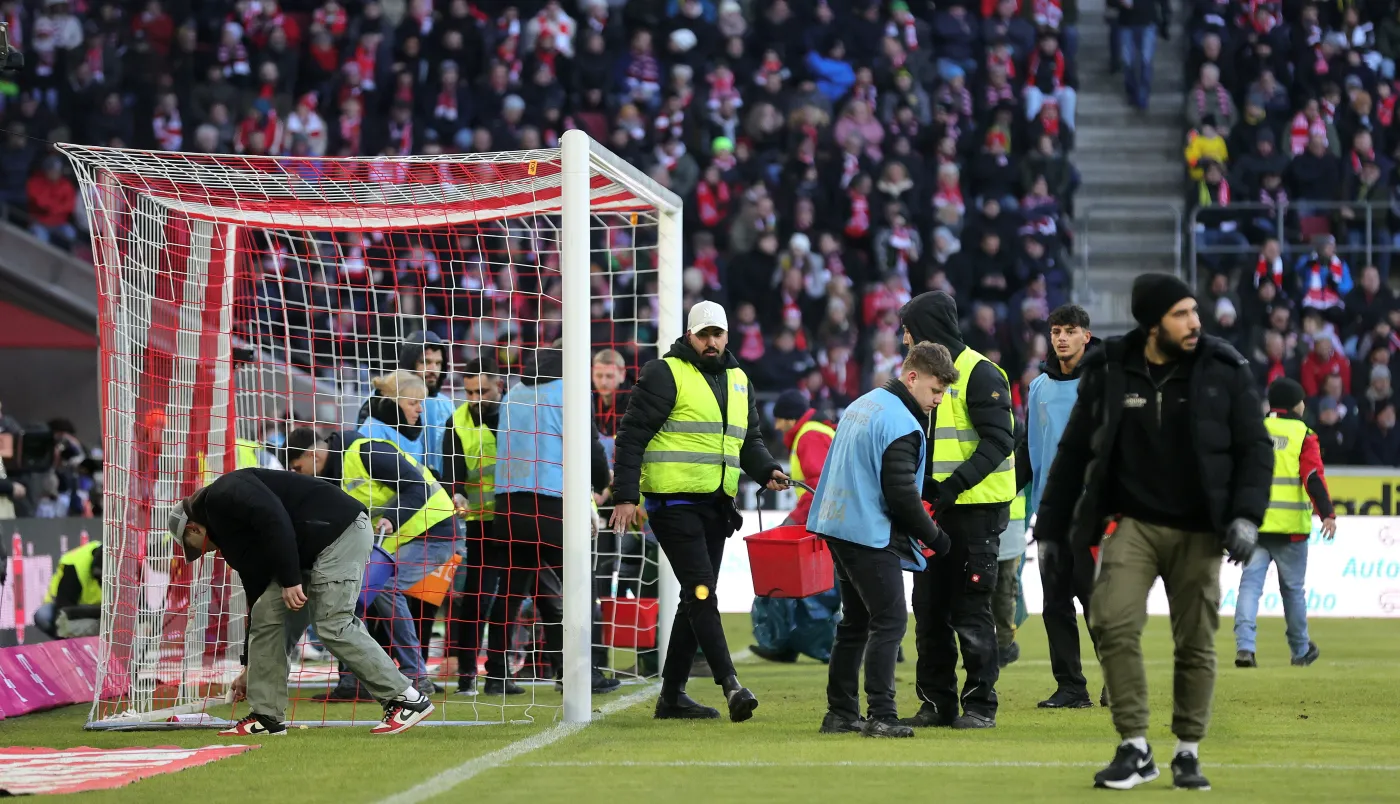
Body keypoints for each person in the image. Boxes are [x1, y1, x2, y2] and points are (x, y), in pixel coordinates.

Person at [1036, 273, 1273, 791]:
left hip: (1200, 530)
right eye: (1181, 314)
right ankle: (1135, 747)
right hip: (1133, 523)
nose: (1194, 322)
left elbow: (1256, 448)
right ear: (1152, 323)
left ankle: (1187, 749)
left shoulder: (1224, 367)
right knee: (1111, 621)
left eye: (1194, 311)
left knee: (1195, 643)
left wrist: (1246, 516)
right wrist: (1052, 530)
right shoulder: (1110, 366)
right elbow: (1075, 451)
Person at [610, 300, 789, 722]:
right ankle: (731, 685)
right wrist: (625, 495)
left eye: (718, 334)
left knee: (694, 598)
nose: (711, 342)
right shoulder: (664, 372)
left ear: (727, 336)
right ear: (689, 335)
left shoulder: (740, 379)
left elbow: (750, 441)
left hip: (717, 507)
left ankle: (671, 697)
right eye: (704, 334)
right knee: (704, 593)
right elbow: (631, 435)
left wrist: (767, 470)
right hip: (673, 506)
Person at [170, 468, 434, 736]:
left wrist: (289, 580)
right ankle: (267, 718)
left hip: (341, 533)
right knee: (266, 614)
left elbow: (274, 518)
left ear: (193, 527)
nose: (204, 552)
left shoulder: (224, 494)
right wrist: (250, 667)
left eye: (194, 546)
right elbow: (256, 595)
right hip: (309, 552)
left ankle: (406, 699)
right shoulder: (229, 533)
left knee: (333, 623)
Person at [809, 342, 956, 738]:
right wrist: (937, 538)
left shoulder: (864, 403)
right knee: (889, 621)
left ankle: (840, 713)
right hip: (868, 531)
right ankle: (882, 715)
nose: (937, 400)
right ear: (912, 377)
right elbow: (900, 495)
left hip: (837, 523)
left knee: (855, 622)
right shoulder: (902, 424)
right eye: (935, 390)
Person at [897, 291, 1016, 731]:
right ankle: (936, 703)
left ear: (927, 329)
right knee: (928, 609)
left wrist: (952, 487)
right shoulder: (917, 375)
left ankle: (981, 705)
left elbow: (1002, 440)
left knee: (969, 609)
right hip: (934, 510)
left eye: (909, 329)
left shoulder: (981, 373)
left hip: (975, 510)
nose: (905, 337)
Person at [286, 426, 454, 699]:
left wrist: (392, 518)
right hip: (395, 541)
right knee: (348, 590)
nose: (295, 474)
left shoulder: (366, 451)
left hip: (435, 531)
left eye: (296, 466)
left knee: (387, 587)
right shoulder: (326, 480)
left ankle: (418, 677)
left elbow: (418, 486)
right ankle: (352, 683)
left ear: (313, 455)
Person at [494, 341, 619, 694]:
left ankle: (495, 675)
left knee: (510, 595)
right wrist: (601, 484)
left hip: (507, 506)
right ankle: (581, 672)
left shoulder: (513, 392)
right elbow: (590, 445)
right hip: (551, 506)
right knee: (580, 590)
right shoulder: (569, 391)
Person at [1020, 303, 1102, 709]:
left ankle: (1119, 680)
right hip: (1051, 514)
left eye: (1070, 330)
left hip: (1094, 514)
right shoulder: (1039, 388)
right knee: (1055, 603)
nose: (1062, 338)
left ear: (1086, 335)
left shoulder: (1107, 382)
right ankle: (1071, 687)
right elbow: (1031, 450)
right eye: (1056, 332)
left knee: (1096, 600)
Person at [1235, 378, 1336, 669]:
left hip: (1254, 525)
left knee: (1249, 587)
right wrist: (1327, 513)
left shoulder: (1254, 430)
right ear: (1295, 404)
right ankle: (1300, 650)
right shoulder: (1303, 434)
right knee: (1293, 591)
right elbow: (1312, 477)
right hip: (1291, 530)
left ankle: (1245, 647)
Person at [749, 389, 840, 664]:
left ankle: (785, 643)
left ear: (790, 418)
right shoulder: (821, 431)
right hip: (835, 520)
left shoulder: (809, 436)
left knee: (794, 582)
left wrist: (796, 520)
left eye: (779, 420)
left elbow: (818, 485)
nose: (776, 426)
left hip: (819, 521)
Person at [439, 357, 505, 696]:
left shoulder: (516, 415)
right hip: (480, 523)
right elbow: (452, 472)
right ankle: (468, 673)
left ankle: (502, 673)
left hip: (518, 519)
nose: (476, 398)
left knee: (524, 598)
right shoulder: (457, 422)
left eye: (483, 390)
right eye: (469, 392)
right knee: (477, 599)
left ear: (500, 387)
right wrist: (458, 494)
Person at [358, 333, 457, 475]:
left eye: (438, 363)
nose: (433, 369)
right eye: (425, 362)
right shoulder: (379, 401)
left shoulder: (446, 405)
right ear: (409, 362)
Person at [34, 541, 102, 639]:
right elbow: (63, 612)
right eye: (99, 579)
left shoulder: (123, 566)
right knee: (43, 616)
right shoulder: (74, 566)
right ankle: (68, 647)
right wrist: (100, 612)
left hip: (100, 612)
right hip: (70, 609)